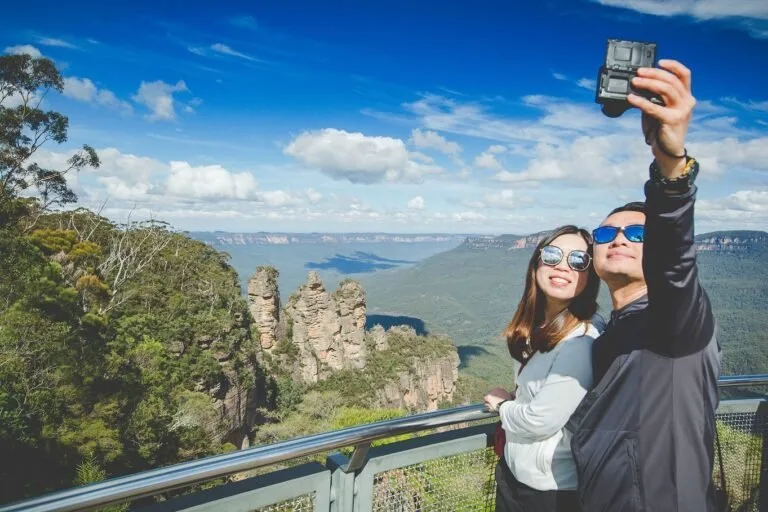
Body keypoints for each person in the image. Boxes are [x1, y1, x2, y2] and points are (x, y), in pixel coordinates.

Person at [567, 59, 722, 511]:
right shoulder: (610, 331)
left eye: (637, 234)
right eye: (605, 233)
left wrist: (670, 167)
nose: (618, 238)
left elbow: (676, 267)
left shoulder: (673, 322)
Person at [484, 225, 603, 512]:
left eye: (578, 260)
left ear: (590, 275)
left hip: (548, 492)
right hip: (516, 475)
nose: (562, 266)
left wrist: (502, 407)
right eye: (552, 255)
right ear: (536, 263)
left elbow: (541, 421)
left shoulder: (581, 341)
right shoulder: (540, 324)